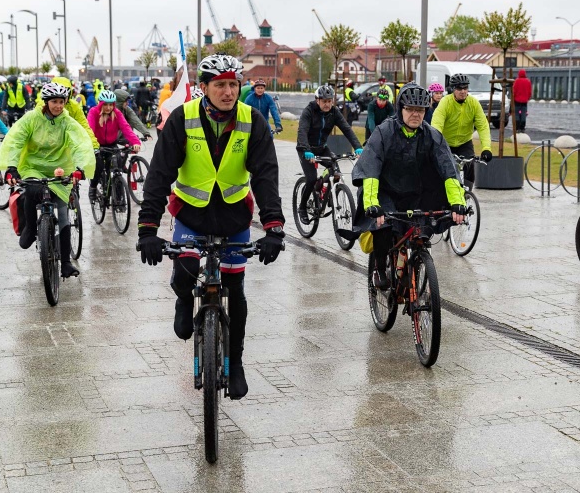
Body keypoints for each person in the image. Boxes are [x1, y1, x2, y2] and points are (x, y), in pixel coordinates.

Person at [136, 53, 285, 400]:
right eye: (220, 85)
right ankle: (184, 299)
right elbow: (159, 175)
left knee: (236, 288)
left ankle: (236, 364)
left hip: (235, 216)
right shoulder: (182, 120)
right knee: (186, 269)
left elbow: (266, 176)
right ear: (203, 88)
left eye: (234, 84)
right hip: (191, 214)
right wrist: (147, 229)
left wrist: (274, 226)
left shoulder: (253, 121)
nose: (229, 92)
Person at [351, 84, 467, 289]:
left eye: (420, 110)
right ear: (400, 109)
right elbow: (370, 167)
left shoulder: (432, 136)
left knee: (421, 231)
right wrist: (372, 203)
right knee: (382, 227)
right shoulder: (384, 132)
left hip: (416, 193)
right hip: (385, 191)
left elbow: (448, 169)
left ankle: (413, 265)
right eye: (410, 109)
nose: (416, 114)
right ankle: (379, 269)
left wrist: (457, 203)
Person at [0, 82, 96, 279]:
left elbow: (80, 145)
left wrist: (79, 169)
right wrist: (12, 167)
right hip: (33, 167)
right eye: (54, 102)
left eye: (61, 102)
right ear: (46, 102)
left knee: (64, 213)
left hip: (60, 169)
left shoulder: (67, 122)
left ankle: (66, 263)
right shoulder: (31, 119)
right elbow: (16, 141)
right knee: (31, 192)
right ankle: (31, 228)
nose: (58, 106)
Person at [295, 85, 363, 222]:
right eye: (324, 101)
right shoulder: (309, 111)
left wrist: (357, 147)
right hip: (306, 149)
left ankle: (325, 189)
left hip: (322, 148)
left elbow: (346, 129)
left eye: (329, 101)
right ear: (317, 100)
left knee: (336, 173)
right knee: (311, 178)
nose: (327, 104)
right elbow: (302, 131)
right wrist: (306, 150)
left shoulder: (334, 112)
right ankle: (302, 207)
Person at [429, 73, 493, 186]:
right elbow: (436, 125)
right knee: (443, 171)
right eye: (459, 88)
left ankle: (467, 195)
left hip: (465, 142)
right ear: (453, 89)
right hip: (445, 142)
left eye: (465, 88)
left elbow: (483, 126)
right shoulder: (445, 102)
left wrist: (486, 148)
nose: (463, 91)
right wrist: (436, 144)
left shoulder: (473, 103)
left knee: (469, 169)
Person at [87, 89, 141, 197]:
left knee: (117, 167)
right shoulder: (94, 112)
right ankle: (93, 187)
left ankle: (119, 199)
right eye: (105, 105)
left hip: (112, 144)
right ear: (101, 104)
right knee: (98, 165)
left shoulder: (117, 113)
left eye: (111, 105)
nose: (108, 108)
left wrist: (135, 142)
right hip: (97, 145)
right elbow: (90, 130)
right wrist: (92, 146)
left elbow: (126, 128)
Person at [35, 77, 100, 151]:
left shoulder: (74, 106)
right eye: (54, 101)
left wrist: (93, 146)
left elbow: (84, 126)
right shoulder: (40, 107)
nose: (58, 106)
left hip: (67, 149)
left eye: (62, 99)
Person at [512, 69, 532, 134]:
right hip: (524, 101)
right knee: (523, 114)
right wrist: (527, 98)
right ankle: (522, 128)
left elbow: (514, 90)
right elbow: (529, 92)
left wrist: (513, 98)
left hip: (517, 100)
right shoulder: (528, 81)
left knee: (517, 114)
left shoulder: (516, 81)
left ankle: (517, 127)